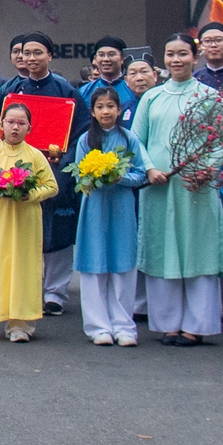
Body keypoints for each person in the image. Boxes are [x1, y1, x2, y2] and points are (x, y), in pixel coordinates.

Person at [133, 34, 223, 347]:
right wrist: (150, 169)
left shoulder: (209, 97)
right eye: (170, 55)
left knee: (197, 252)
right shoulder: (152, 97)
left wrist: (206, 170)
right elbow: (136, 142)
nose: (176, 60)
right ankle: (168, 324)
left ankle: (197, 325)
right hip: (159, 188)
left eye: (183, 54)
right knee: (162, 251)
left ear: (196, 56)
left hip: (195, 188)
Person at [0, 31, 87, 316]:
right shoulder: (12, 91)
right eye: (26, 53)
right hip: (19, 170)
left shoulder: (65, 90)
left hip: (56, 169)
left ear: (49, 55)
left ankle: (56, 293)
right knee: (25, 229)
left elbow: (80, 131)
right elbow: (0, 131)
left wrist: (65, 163)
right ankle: (29, 289)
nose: (31, 58)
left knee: (58, 231)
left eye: (38, 52)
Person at [0, 99, 60, 341]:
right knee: (1, 265)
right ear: (2, 124)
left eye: (21, 123)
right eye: (10, 122)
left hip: (26, 220)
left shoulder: (35, 156)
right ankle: (4, 315)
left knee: (25, 267)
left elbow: (52, 186)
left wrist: (30, 194)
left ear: (29, 128)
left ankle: (22, 324)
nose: (15, 127)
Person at [70, 84, 145, 346]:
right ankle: (98, 326)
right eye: (100, 107)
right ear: (91, 111)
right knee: (94, 265)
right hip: (94, 209)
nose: (106, 111)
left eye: (111, 106)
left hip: (122, 207)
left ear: (119, 109)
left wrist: (120, 178)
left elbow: (141, 173)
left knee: (123, 265)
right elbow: (78, 175)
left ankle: (125, 326)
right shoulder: (85, 140)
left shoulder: (129, 138)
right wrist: (94, 177)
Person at [76, 38, 129, 114]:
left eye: (111, 54)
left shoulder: (132, 89)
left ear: (122, 58)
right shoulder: (84, 92)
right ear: (95, 59)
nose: (106, 59)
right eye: (101, 55)